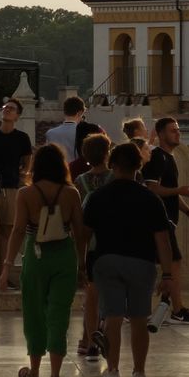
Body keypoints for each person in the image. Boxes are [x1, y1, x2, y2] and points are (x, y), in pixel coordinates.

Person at [0, 140, 85, 377]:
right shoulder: (71, 193)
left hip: (36, 257)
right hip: (64, 257)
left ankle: (35, 373)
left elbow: (17, 231)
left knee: (35, 314)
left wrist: (6, 266)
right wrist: (82, 264)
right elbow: (80, 232)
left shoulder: (26, 194)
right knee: (59, 315)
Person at [89, 142, 174, 377]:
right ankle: (139, 373)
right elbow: (162, 240)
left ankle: (113, 373)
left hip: (107, 261)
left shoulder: (99, 196)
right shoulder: (150, 198)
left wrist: (82, 264)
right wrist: (167, 274)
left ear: (112, 165)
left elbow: (84, 233)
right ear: (139, 166)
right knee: (139, 319)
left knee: (113, 318)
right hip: (141, 262)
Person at [142, 113, 189, 327]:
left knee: (169, 264)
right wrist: (180, 190)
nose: (178, 133)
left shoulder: (169, 157)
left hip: (167, 220)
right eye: (172, 130)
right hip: (159, 221)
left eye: (178, 130)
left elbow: (172, 192)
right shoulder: (158, 157)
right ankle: (177, 310)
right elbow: (152, 188)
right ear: (160, 134)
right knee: (173, 263)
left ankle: (166, 306)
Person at [0, 98, 33, 284]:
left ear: (17, 116)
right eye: (5, 107)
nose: (7, 110)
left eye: (11, 108)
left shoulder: (22, 138)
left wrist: (22, 175)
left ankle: (3, 275)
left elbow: (27, 163)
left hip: (11, 189)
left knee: (7, 232)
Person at [75, 129, 112, 364]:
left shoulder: (80, 181)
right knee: (111, 297)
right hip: (113, 242)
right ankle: (103, 336)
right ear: (107, 153)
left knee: (91, 296)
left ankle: (88, 342)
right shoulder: (115, 178)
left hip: (91, 245)